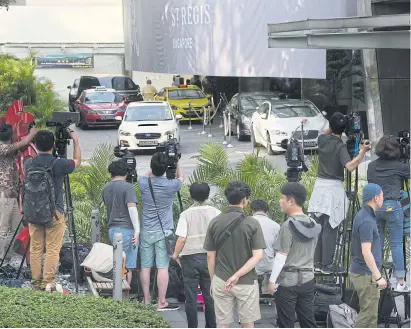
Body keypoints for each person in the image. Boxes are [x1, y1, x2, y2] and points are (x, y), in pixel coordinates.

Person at [308, 112, 371, 274]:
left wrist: (337, 123)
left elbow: (326, 131)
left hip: (319, 187)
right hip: (333, 188)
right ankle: (327, 265)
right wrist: (363, 151)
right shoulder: (340, 145)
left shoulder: (322, 139)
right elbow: (350, 167)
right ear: (343, 130)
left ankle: (317, 263)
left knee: (318, 226)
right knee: (331, 227)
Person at [204, 181, 266, 328]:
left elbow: (210, 256)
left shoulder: (215, 222)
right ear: (245, 199)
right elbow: (257, 256)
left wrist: (214, 280)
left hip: (221, 279)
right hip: (246, 281)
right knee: (247, 323)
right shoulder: (252, 223)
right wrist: (237, 275)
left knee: (222, 324)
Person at [25, 129, 81, 291]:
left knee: (35, 247)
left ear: (35, 145)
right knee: (52, 248)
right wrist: (76, 141)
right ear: (54, 145)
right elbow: (77, 161)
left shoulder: (29, 163)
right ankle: (48, 282)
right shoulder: (61, 163)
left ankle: (35, 282)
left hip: (34, 212)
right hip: (54, 213)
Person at [268, 182, 320, 328]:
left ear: (291, 201)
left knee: (286, 322)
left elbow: (281, 256)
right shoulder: (313, 224)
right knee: (307, 320)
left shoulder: (287, 225)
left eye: (282, 197)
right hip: (308, 279)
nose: (280, 201)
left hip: (288, 281)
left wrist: (272, 281)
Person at [139, 152, 184, 311]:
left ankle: (146, 299)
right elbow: (181, 178)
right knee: (162, 267)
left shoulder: (144, 182)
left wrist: (155, 166)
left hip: (146, 230)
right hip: (164, 231)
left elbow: (147, 175)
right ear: (166, 168)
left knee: (145, 266)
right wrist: (176, 162)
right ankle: (162, 301)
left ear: (152, 167)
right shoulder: (171, 185)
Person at [173, 182, 220, 328]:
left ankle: (192, 326)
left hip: (190, 258)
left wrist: (175, 254)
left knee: (191, 296)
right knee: (209, 295)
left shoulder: (186, 214)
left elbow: (181, 238)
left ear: (191, 195)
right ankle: (211, 325)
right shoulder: (216, 212)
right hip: (210, 258)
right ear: (207, 194)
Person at [367, 136, 410, 292]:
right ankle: (400, 282)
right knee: (396, 244)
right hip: (393, 207)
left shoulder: (371, 166)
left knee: (375, 243)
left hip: (375, 207)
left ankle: (376, 278)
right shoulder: (401, 167)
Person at [349, 183, 386, 328]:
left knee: (371, 314)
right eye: (382, 196)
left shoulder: (365, 215)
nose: (383, 199)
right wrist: (378, 276)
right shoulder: (366, 221)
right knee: (367, 314)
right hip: (366, 274)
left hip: (365, 273)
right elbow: (366, 251)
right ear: (376, 198)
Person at [0, 124, 38, 262]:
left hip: (12, 195)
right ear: (11, 136)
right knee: (3, 229)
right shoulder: (2, 148)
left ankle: (7, 256)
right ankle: (1, 259)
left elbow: (21, 146)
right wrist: (31, 133)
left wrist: (29, 141)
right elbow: (21, 144)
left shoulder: (7, 149)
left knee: (16, 227)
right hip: (5, 194)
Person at [103, 160, 139, 285]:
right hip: (126, 230)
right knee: (127, 266)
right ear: (126, 172)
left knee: (118, 263)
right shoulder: (127, 186)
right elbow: (132, 208)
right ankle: (125, 296)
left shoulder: (106, 187)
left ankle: (118, 292)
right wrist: (137, 230)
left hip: (112, 230)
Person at [251, 199, 280, 276]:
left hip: (251, 268)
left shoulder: (246, 223)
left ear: (252, 211)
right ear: (266, 211)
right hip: (269, 268)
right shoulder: (276, 226)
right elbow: (277, 251)